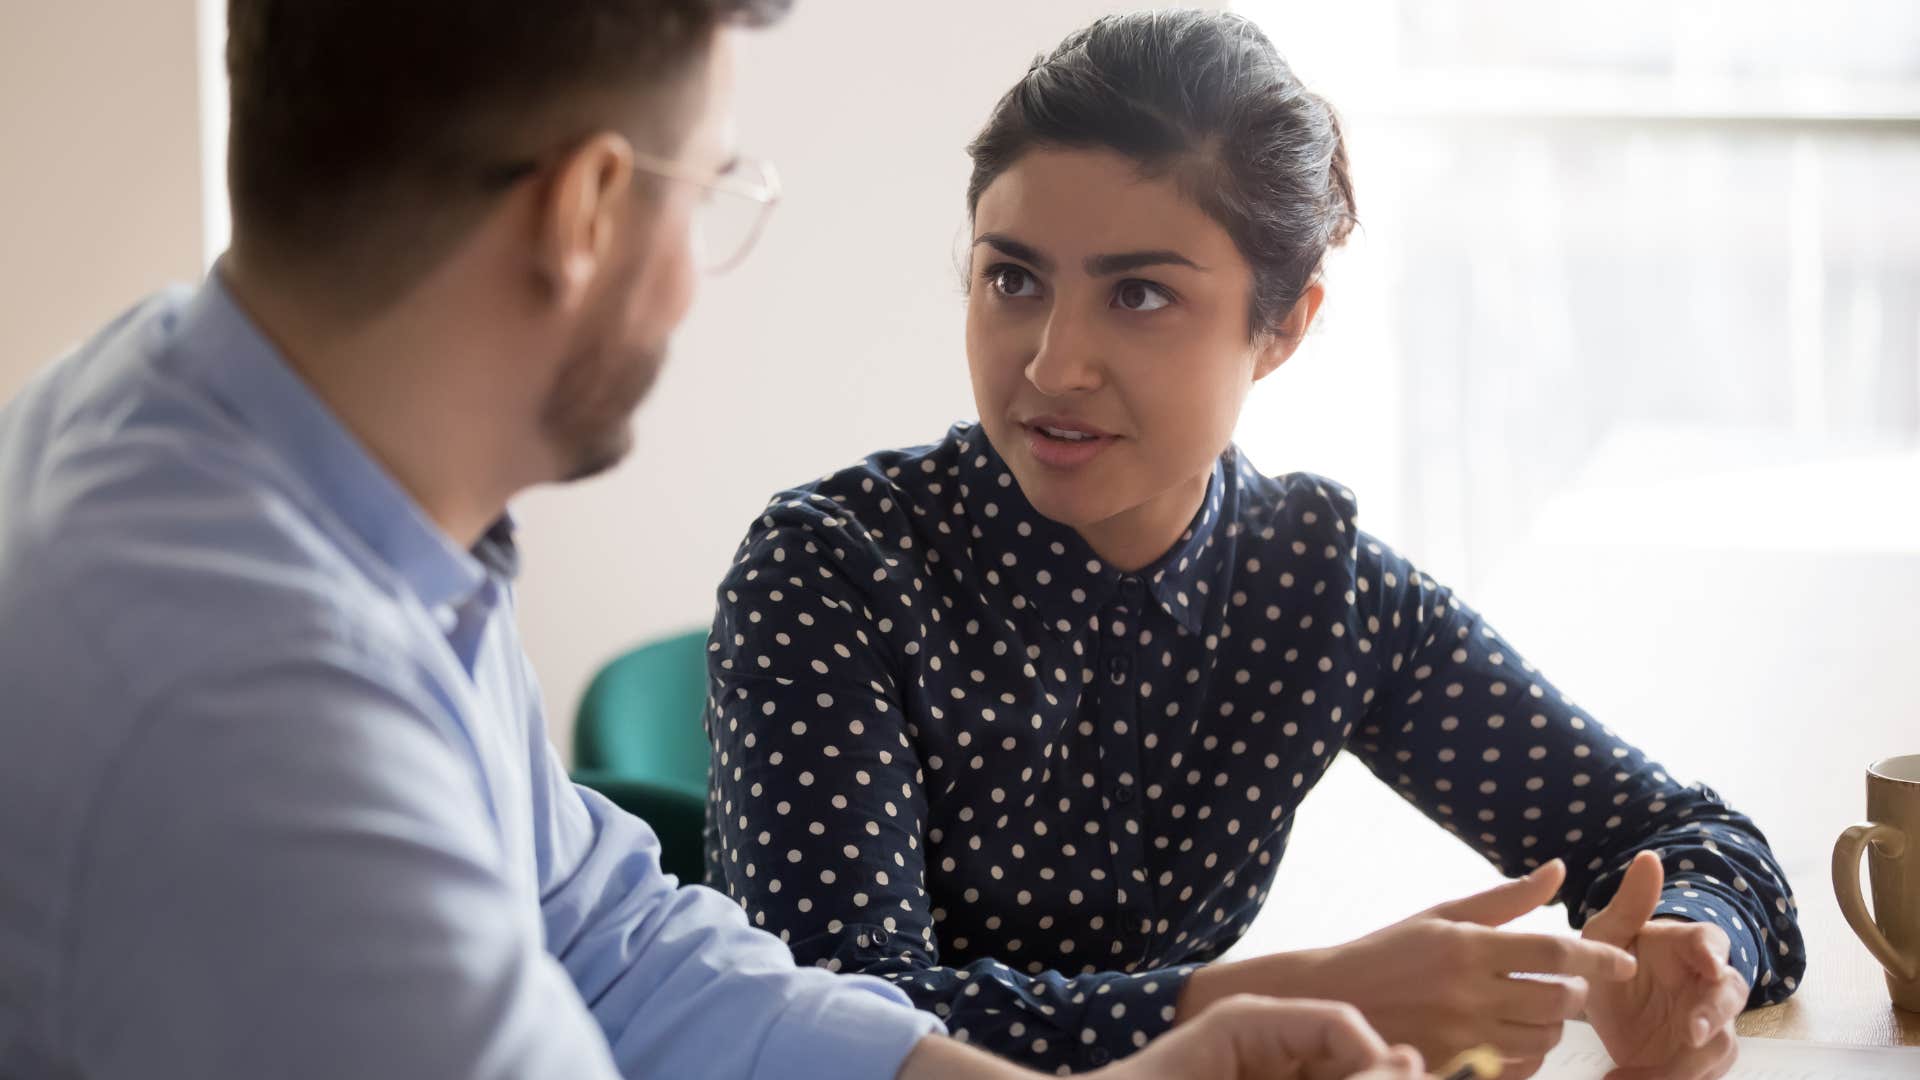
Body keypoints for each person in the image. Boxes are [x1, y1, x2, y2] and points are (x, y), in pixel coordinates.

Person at [0, 3, 1426, 1079]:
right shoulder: (251, 722)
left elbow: (613, 936)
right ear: (588, 209)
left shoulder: (279, 465)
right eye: (716, 186)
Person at [705, 9, 1805, 1079]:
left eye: (1138, 294)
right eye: (1013, 279)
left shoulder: (1314, 591)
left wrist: (1693, 956)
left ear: (1283, 326)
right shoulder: (830, 573)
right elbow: (830, 1026)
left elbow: (1690, 837)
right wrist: (1305, 1000)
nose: (1052, 363)